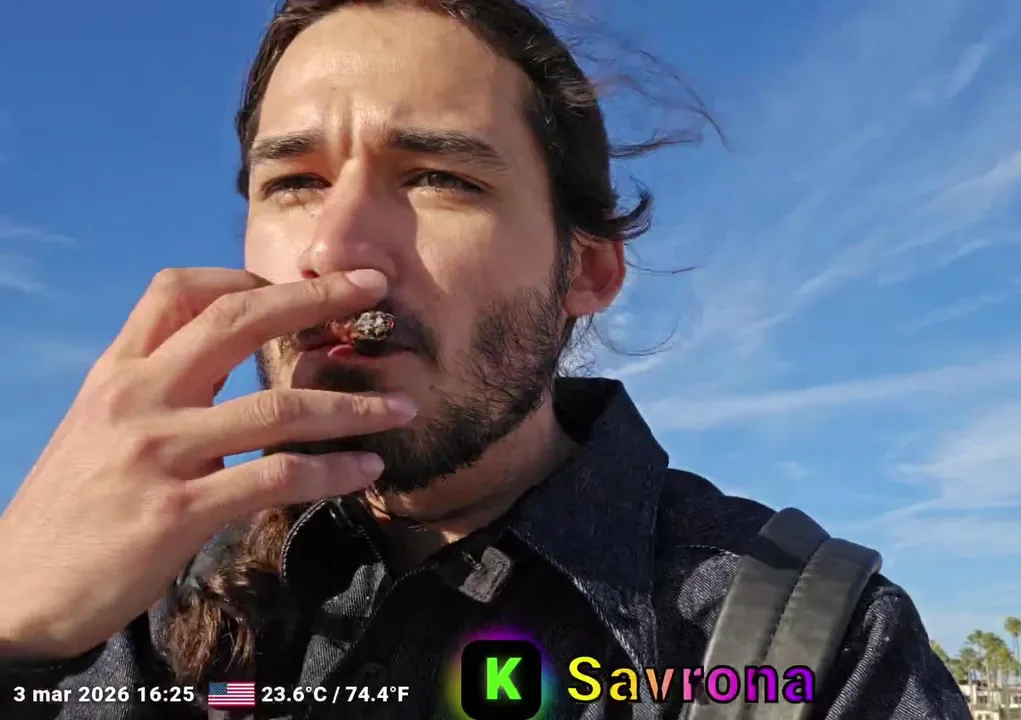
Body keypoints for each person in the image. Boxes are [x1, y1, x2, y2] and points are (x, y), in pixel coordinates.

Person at [0, 1, 971, 718]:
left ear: (586, 270)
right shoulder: (150, 598)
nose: (335, 249)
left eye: (438, 177)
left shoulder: (807, 645)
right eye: (293, 182)